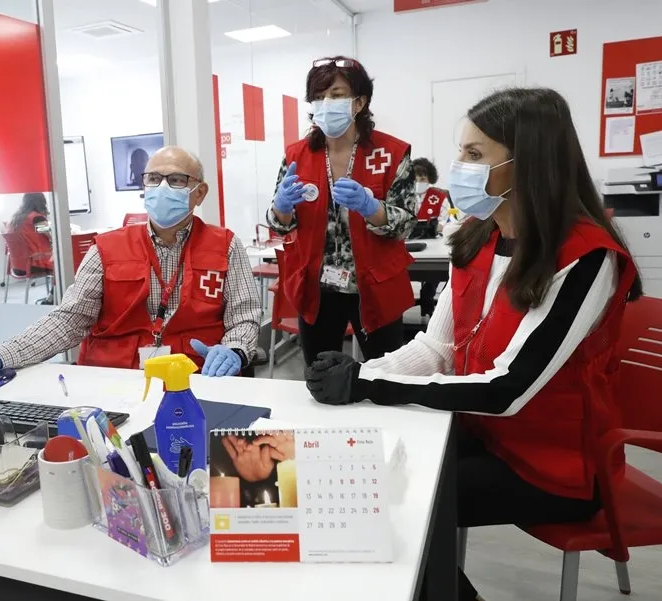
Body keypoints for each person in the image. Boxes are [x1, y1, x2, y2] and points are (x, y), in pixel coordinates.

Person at [304, 88, 642, 601]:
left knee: (398, 512)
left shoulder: (587, 257)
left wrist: (369, 382)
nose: (458, 166)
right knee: (365, 483)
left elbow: (507, 389)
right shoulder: (477, 237)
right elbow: (437, 349)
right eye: (461, 151)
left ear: (528, 164)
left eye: (475, 155)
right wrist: (367, 372)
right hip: (480, 435)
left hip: (553, 466)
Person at [0, 146, 262, 387]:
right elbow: (70, 320)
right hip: (113, 383)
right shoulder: (107, 248)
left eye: (176, 180)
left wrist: (235, 349)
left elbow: (244, 315)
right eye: (153, 178)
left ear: (199, 192)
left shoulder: (225, 244)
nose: (162, 187)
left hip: (195, 379)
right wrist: (2, 355)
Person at [266, 56, 416, 366]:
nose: (325, 104)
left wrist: (371, 208)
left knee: (386, 375)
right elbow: (280, 226)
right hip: (316, 288)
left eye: (336, 95)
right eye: (318, 97)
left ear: (359, 102)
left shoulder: (391, 153)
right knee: (320, 373)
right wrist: (281, 208)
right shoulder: (298, 154)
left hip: (374, 285)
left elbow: (406, 225)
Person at [411, 157, 454, 317]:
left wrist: (441, 225)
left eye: (422, 178)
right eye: (415, 178)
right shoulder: (404, 196)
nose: (418, 181)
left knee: (436, 271)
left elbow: (448, 218)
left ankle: (428, 294)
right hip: (409, 245)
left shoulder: (439, 196)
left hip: (433, 244)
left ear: (429, 178)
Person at [8, 192, 53, 273]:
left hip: (18, 266)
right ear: (41, 202)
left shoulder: (16, 217)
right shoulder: (37, 218)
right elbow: (53, 237)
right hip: (35, 264)